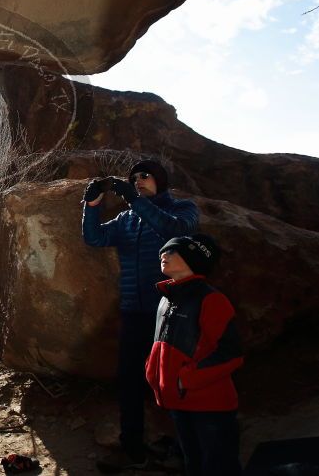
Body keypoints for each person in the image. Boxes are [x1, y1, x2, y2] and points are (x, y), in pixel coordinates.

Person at [81, 161, 199, 472]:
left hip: (172, 311)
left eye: (144, 176)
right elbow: (94, 238)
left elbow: (175, 230)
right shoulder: (126, 219)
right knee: (130, 381)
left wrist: (135, 200)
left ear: (160, 180)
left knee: (172, 381)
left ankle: (183, 449)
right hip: (134, 312)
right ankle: (133, 449)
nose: (138, 181)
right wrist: (92, 204)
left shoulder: (182, 209)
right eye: (134, 179)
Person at [146, 234, 243, 475]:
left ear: (194, 259)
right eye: (163, 251)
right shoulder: (166, 298)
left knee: (219, 467)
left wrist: (186, 379)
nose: (163, 254)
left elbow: (232, 353)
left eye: (172, 251)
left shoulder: (212, 300)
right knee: (193, 464)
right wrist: (152, 372)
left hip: (210, 406)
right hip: (180, 402)